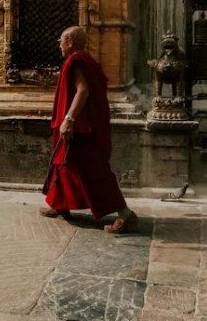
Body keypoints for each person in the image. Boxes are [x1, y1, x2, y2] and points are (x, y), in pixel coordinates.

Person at [41, 26, 138, 233]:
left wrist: (69, 118)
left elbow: (83, 90)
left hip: (81, 128)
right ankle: (61, 205)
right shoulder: (87, 61)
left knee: (94, 171)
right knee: (65, 164)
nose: (59, 44)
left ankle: (125, 214)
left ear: (69, 41)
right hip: (82, 126)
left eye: (60, 40)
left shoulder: (76, 61)